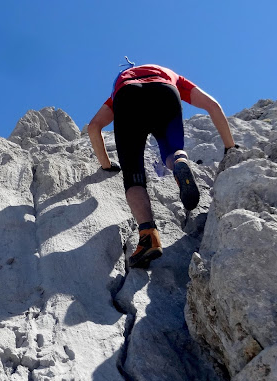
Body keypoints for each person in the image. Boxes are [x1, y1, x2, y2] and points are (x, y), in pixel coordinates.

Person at [88, 59, 237, 268]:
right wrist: (231, 147)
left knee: (133, 176)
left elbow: (94, 127)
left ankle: (149, 237)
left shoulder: (122, 82)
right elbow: (213, 106)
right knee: (170, 149)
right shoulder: (168, 73)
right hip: (165, 91)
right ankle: (178, 162)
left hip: (127, 96)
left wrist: (106, 165)